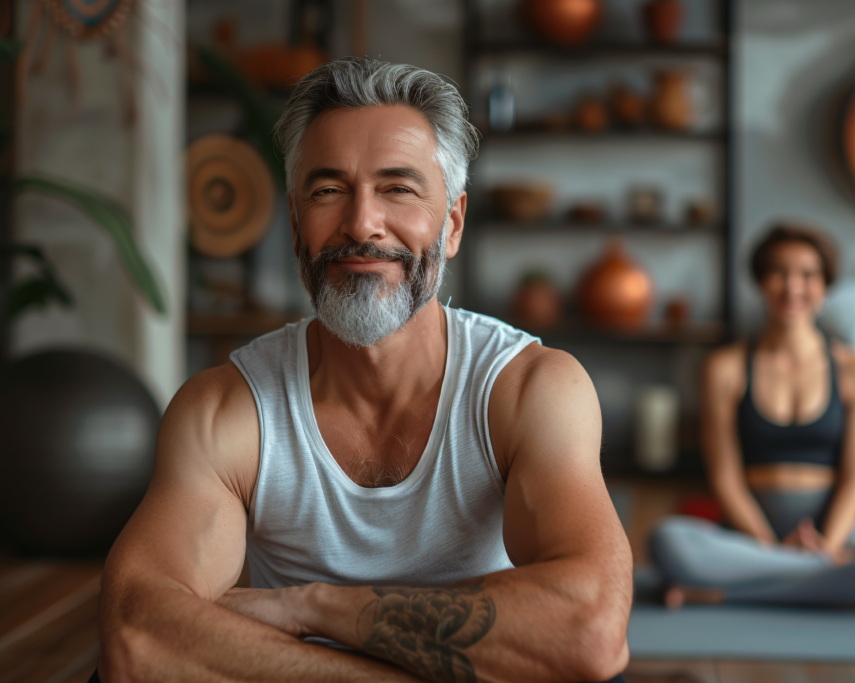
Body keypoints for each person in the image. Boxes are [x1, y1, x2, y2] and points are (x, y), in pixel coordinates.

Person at [96, 58, 633, 683]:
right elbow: (136, 638)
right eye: (328, 191)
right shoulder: (224, 410)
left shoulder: (529, 389)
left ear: (452, 223)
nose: (360, 223)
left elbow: (590, 632)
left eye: (399, 189)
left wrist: (308, 605)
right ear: (296, 227)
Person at [648, 224, 855, 609]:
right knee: (667, 541)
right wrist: (771, 547)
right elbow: (725, 474)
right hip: (748, 537)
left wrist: (828, 545)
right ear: (761, 282)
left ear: (825, 286)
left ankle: (727, 592)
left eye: (808, 274)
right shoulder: (724, 368)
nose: (793, 287)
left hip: (839, 536)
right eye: (779, 272)